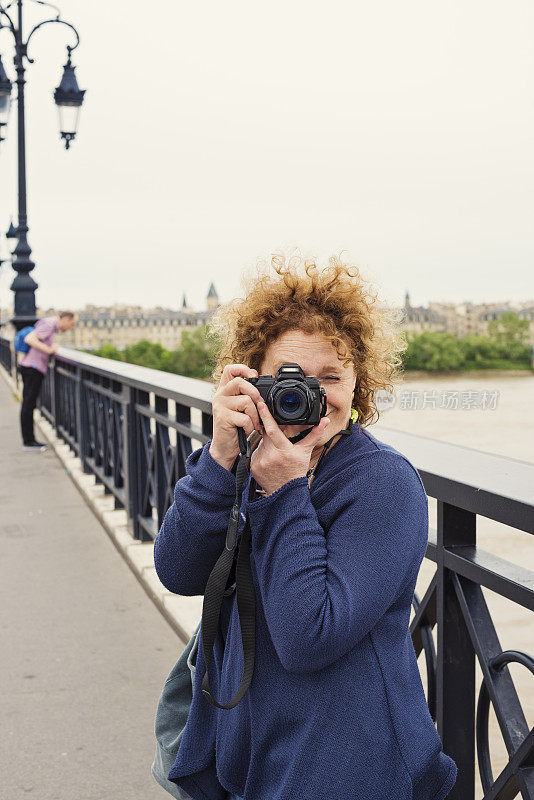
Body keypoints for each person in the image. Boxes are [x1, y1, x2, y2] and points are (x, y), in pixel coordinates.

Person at [153, 253, 458, 800]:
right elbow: (178, 571)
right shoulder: (244, 460)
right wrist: (221, 459)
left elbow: (307, 638)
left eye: (332, 377)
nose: (310, 397)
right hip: (250, 755)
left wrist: (284, 492)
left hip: (348, 769)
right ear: (253, 382)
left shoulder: (383, 484)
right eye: (289, 379)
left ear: (359, 383)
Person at [18, 310, 77, 451]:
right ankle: (29, 442)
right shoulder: (50, 324)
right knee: (28, 405)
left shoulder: (50, 325)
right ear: (66, 319)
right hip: (33, 368)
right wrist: (49, 349)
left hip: (31, 367)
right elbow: (30, 339)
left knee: (28, 404)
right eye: (72, 324)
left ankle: (29, 441)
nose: (71, 328)